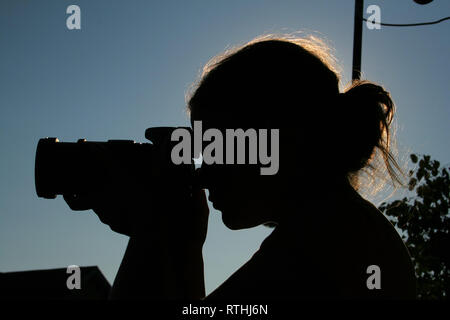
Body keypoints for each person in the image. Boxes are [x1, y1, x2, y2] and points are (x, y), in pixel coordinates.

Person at [64, 35, 416, 299]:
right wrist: (179, 240)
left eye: (217, 146)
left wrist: (150, 230)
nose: (204, 170)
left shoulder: (324, 243)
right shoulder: (337, 228)